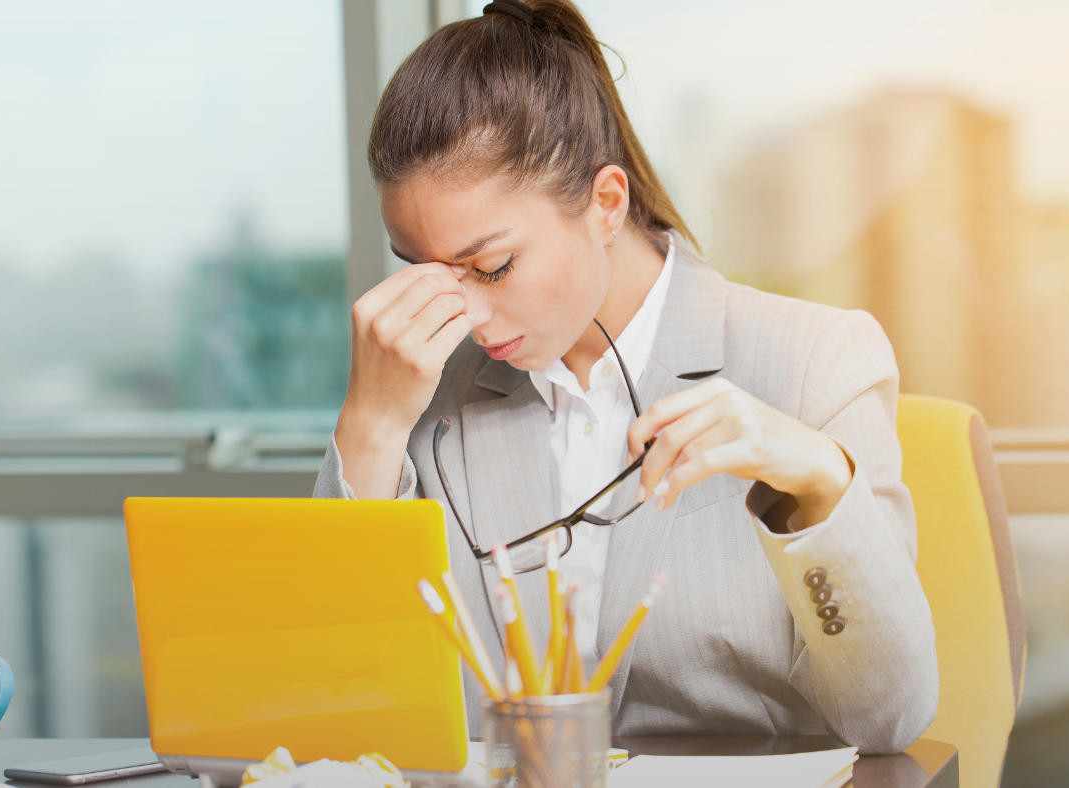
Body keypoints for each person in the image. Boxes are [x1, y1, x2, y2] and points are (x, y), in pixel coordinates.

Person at [315, 0, 937, 754]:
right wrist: (371, 427)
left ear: (606, 204)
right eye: (423, 273)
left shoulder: (811, 357)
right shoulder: (417, 391)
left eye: (491, 266)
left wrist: (817, 486)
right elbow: (339, 710)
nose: (465, 318)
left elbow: (888, 718)